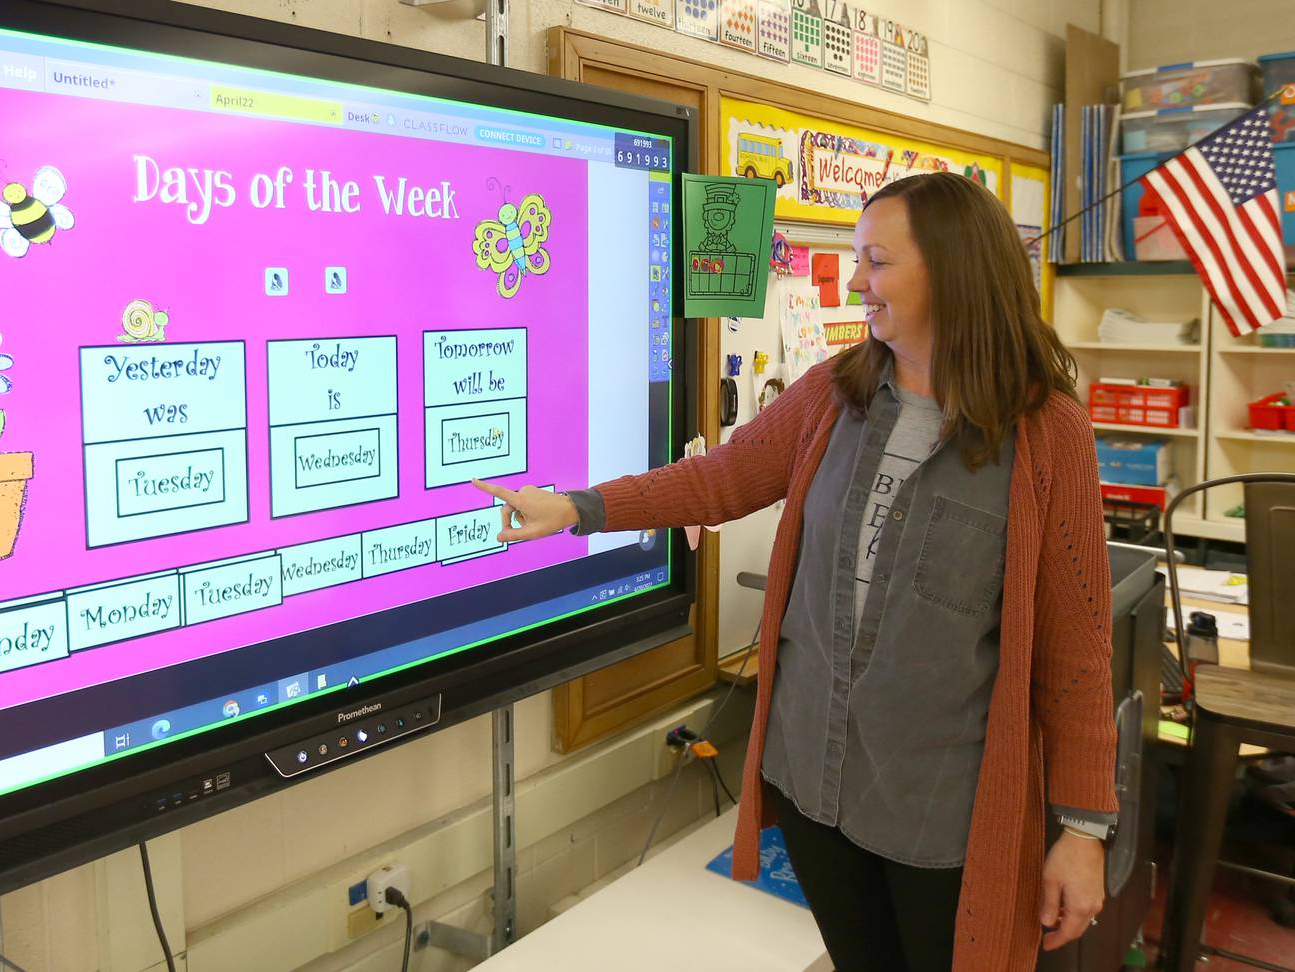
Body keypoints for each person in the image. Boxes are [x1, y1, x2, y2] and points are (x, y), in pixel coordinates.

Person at [473, 170, 1116, 972]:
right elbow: (722, 477)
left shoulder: (1048, 434)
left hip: (942, 820)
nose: (855, 282)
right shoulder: (832, 395)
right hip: (817, 790)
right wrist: (578, 507)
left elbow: (1078, 656)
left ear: (951, 271)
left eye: (875, 262)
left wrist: (1083, 830)